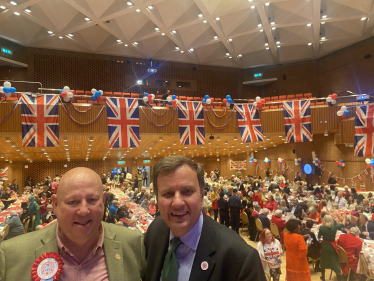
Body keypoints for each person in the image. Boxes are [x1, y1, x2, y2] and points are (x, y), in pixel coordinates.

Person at [0, 167, 146, 280]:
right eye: (72, 202)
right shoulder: (11, 255)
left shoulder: (134, 245)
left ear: (103, 200)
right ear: (55, 205)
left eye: (92, 200)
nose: (83, 211)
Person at [144, 156, 266, 281]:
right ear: (157, 199)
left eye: (187, 191)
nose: (177, 203)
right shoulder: (155, 230)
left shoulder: (241, 258)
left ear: (202, 196)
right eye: (167, 194)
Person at [318, 215, 344, 281]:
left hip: (324, 246)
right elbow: (342, 224)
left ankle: (323, 277)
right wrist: (344, 218)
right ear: (332, 220)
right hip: (332, 246)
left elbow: (319, 238)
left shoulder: (322, 228)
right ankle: (339, 277)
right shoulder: (335, 227)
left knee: (323, 261)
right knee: (335, 261)